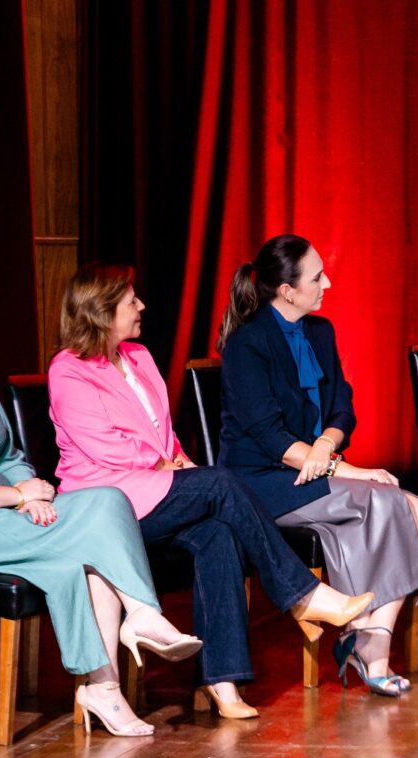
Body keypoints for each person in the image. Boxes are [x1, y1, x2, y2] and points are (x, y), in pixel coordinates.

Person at [47, 264, 373, 719]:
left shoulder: (138, 357)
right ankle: (302, 594)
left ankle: (222, 680)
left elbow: (163, 432)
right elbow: (102, 445)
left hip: (156, 487)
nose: (142, 306)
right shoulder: (68, 371)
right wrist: (166, 465)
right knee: (220, 481)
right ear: (101, 313)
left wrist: (176, 459)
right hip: (109, 505)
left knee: (219, 531)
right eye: (130, 302)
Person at [0, 279, 200, 738]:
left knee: (108, 501)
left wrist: (27, 490)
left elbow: (7, 456)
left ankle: (109, 677)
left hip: (3, 515)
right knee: (87, 542)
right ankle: (132, 634)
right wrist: (19, 497)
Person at [215, 234, 418, 697]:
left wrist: (326, 445)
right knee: (402, 507)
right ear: (286, 291)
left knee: (413, 510)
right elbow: (269, 438)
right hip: (264, 481)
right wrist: (348, 469)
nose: (328, 283)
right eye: (317, 276)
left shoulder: (321, 332)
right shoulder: (246, 345)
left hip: (315, 468)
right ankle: (371, 649)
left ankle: (368, 640)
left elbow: (343, 406)